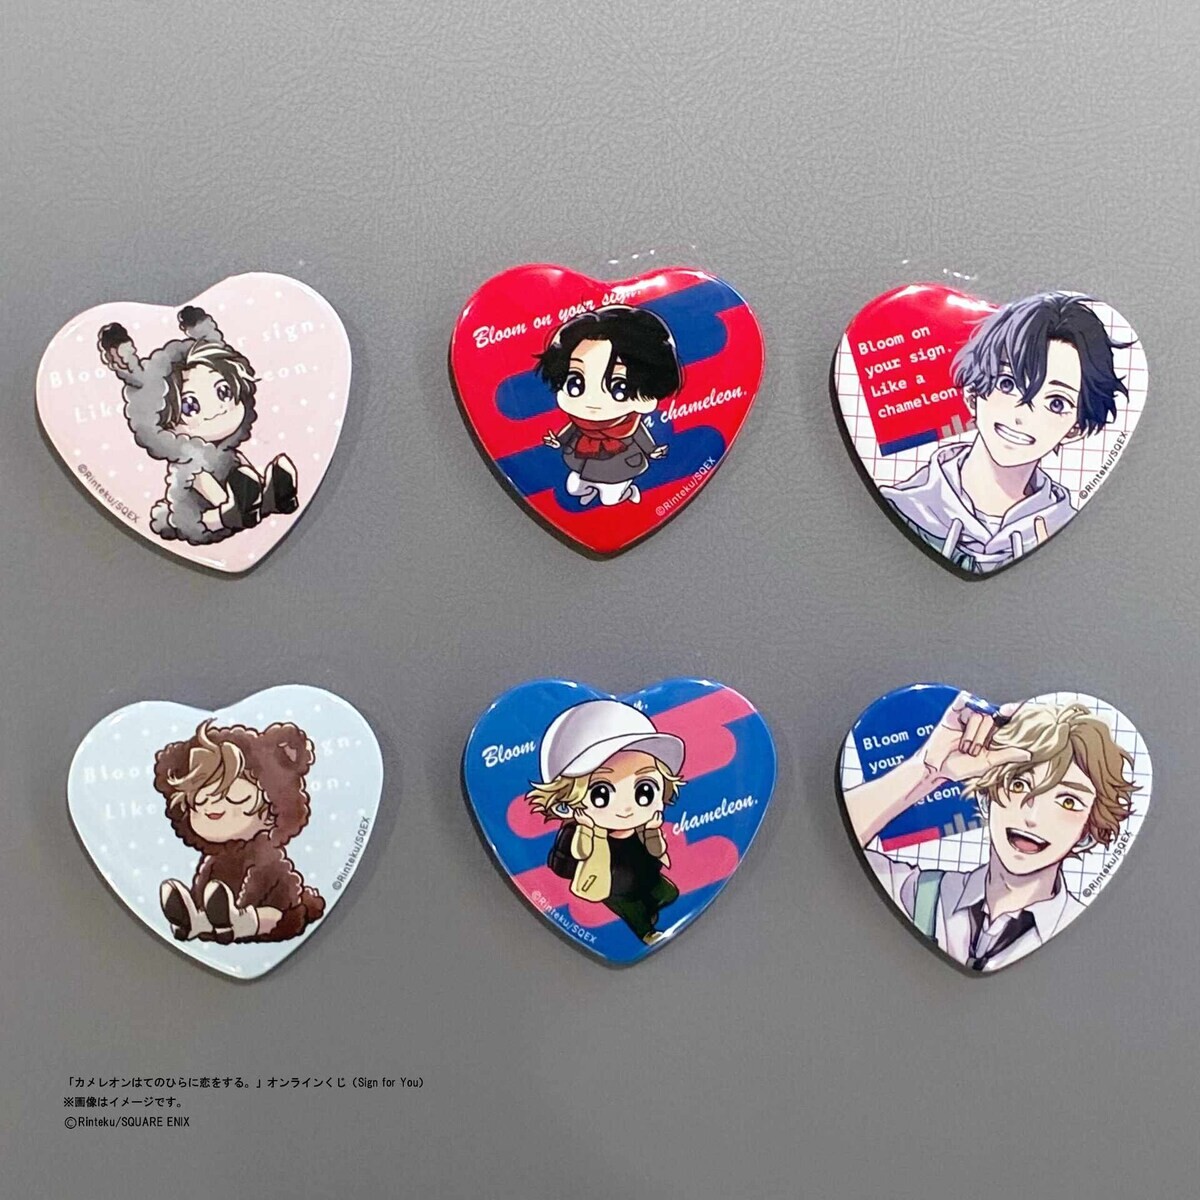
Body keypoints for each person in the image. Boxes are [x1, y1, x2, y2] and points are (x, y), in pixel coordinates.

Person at [844, 692, 1137, 971]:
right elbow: (844, 838)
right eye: (1018, 784)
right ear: (988, 797)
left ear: (1089, 829)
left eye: (1068, 801)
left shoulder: (1088, 934)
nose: (1032, 818)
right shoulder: (918, 893)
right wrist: (927, 771)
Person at [881, 293, 1129, 572]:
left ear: (1076, 428)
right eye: (1008, 384)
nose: (1022, 415)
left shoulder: (1065, 529)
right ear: (973, 392)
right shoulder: (904, 504)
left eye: (1056, 403)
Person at [98, 306, 299, 544]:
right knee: (200, 473)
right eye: (191, 406)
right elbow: (201, 481)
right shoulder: (188, 462)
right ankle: (232, 511)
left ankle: (271, 497)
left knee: (237, 468)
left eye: (224, 392)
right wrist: (227, 503)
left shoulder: (225, 452)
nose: (218, 410)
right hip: (200, 517)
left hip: (239, 498)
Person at [526, 699, 685, 944]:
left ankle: (655, 907)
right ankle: (645, 932)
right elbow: (581, 853)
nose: (626, 808)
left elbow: (657, 851)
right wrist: (588, 829)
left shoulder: (643, 828)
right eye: (601, 794)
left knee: (666, 893)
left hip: (644, 872)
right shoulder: (583, 831)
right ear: (568, 801)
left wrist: (653, 831)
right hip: (613, 885)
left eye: (644, 790)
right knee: (632, 909)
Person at [154, 720, 325, 944]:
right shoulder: (215, 862)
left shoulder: (266, 858)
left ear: (272, 810)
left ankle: (240, 922)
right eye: (200, 805)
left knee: (274, 914)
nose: (212, 807)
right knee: (207, 902)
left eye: (236, 801)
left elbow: (265, 883)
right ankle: (194, 921)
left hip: (272, 908)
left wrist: (242, 909)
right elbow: (207, 887)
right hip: (221, 911)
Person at [536, 305, 681, 507]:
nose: (593, 401)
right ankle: (590, 493)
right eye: (576, 383)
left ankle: (627, 491)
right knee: (573, 488)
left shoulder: (629, 424)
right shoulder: (580, 422)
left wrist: (651, 451)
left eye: (619, 388)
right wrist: (558, 441)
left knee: (610, 499)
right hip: (581, 459)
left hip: (619, 464)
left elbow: (640, 434)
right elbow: (570, 430)